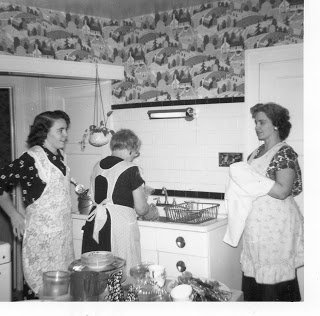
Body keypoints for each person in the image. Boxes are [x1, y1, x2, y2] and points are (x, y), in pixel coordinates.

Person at [0, 110, 74, 298]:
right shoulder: (31, 159)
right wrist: (14, 214)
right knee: (41, 292)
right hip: (41, 240)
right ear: (44, 132)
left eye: (66, 130)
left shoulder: (60, 157)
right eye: (61, 130)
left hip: (62, 240)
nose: (65, 135)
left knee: (62, 293)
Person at [240, 102, 303, 301]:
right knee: (255, 276)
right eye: (255, 122)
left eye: (261, 122)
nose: (256, 127)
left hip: (277, 227)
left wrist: (254, 181)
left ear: (276, 124)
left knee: (274, 282)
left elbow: (283, 191)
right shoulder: (254, 153)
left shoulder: (284, 153)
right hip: (256, 226)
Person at [81, 129, 158, 274]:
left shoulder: (97, 165)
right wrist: (151, 211)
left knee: (100, 272)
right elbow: (141, 209)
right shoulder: (131, 169)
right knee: (122, 271)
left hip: (95, 223)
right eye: (136, 152)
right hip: (118, 226)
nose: (135, 156)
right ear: (130, 149)